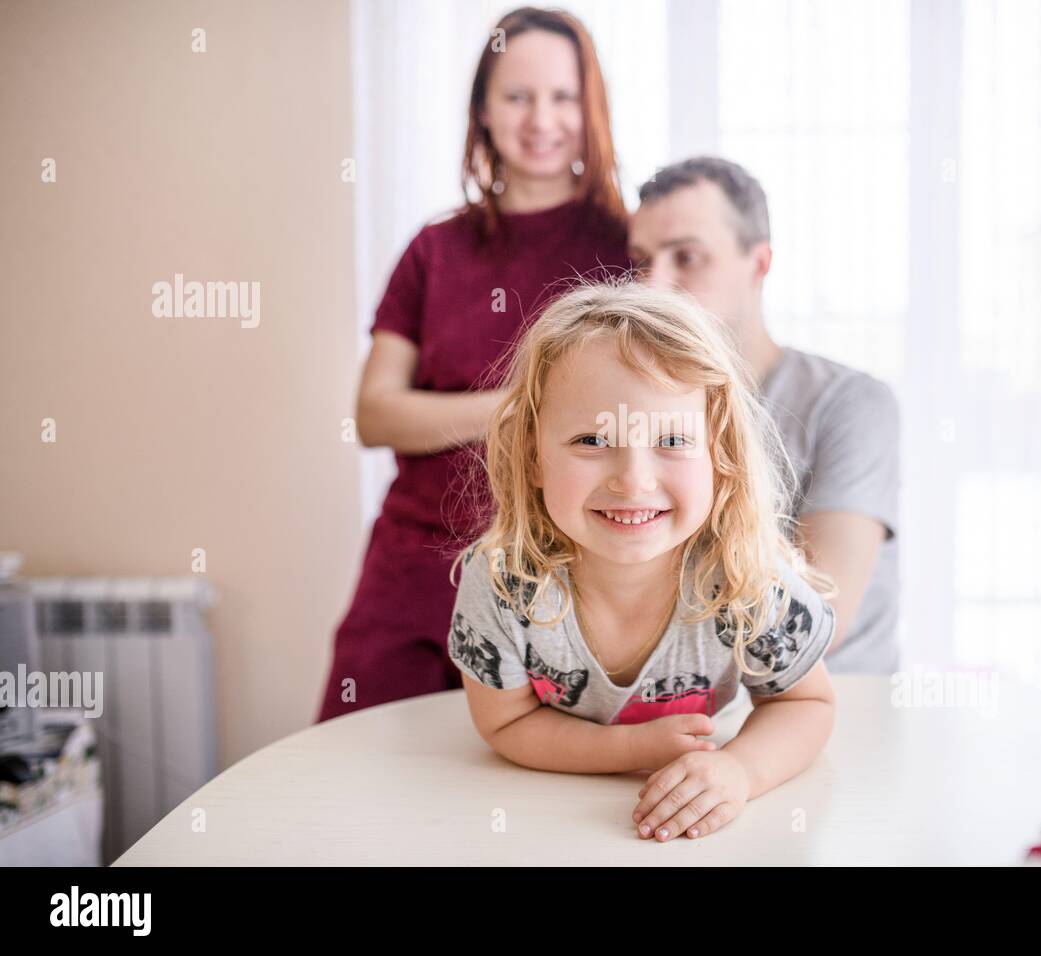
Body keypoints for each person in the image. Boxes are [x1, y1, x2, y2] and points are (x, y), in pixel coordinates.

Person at [317, 7, 629, 722]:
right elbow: (375, 414)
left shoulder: (626, 249)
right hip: (412, 571)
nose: (540, 119)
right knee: (359, 780)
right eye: (517, 96)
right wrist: (524, 406)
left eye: (562, 96)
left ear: (591, 107)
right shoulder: (435, 249)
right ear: (483, 110)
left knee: (525, 799)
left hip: (560, 578)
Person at [447, 282, 837, 843]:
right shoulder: (506, 581)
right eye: (591, 439)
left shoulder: (745, 576)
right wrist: (628, 749)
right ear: (533, 457)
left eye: (673, 439)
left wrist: (740, 770)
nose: (633, 479)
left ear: (719, 455)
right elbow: (504, 721)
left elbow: (807, 703)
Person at [629, 157, 901, 673]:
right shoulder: (637, 410)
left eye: (686, 257)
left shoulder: (851, 404)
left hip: (843, 715)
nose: (652, 286)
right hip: (700, 719)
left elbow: (818, 617)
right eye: (642, 260)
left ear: (758, 264)